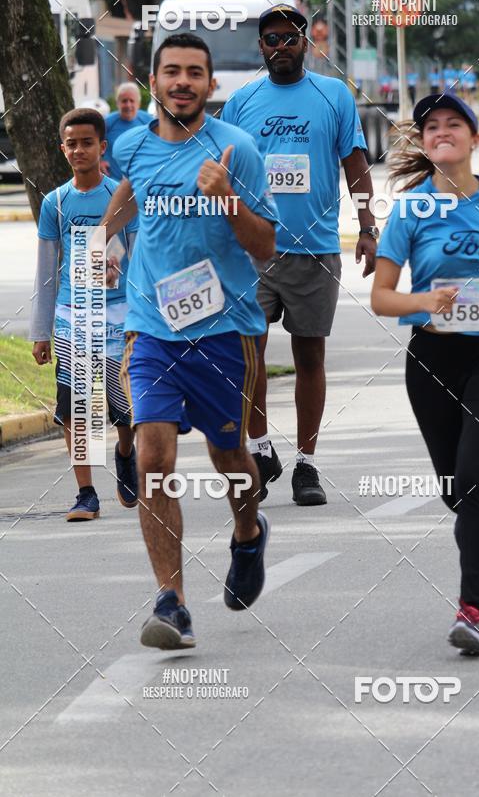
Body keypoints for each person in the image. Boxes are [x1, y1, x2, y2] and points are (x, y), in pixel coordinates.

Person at [100, 33, 278, 650]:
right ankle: (171, 601)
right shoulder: (132, 144)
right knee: (153, 459)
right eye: (171, 71)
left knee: (230, 458)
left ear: (210, 84)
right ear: (153, 81)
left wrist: (227, 198)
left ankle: (248, 533)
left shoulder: (237, 149)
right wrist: (103, 238)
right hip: (151, 328)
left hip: (224, 331)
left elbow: (264, 246)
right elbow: (133, 188)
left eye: (194, 72)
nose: (182, 81)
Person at [371, 92, 479, 654]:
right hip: (431, 360)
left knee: (475, 478)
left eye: (454, 123)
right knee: (456, 489)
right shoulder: (409, 209)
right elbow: (381, 297)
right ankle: (473, 529)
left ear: (475, 139)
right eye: (431, 126)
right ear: (424, 143)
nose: (442, 131)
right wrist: (423, 301)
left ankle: (473, 611)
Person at [221, 3, 377, 507]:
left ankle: (306, 464)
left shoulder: (334, 95)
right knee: (247, 357)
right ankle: (261, 448)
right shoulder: (241, 102)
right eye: (272, 39)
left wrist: (368, 227)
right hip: (252, 251)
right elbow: (219, 174)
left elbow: (355, 165)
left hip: (315, 250)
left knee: (309, 357)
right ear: (260, 46)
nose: (281, 46)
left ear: (306, 43)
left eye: (290, 38)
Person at [30, 108, 139, 521]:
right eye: (71, 144)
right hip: (72, 317)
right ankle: (86, 493)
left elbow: (139, 258)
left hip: (119, 315)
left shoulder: (121, 197)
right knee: (77, 404)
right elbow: (46, 272)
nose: (79, 150)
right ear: (63, 149)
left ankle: (125, 452)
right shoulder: (55, 203)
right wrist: (41, 330)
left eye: (87, 143)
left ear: (102, 147)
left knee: (122, 404)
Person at [101, 83, 152, 180]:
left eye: (132, 101)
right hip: (114, 181)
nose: (128, 105)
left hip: (141, 180)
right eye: (124, 101)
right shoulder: (107, 122)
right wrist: (99, 161)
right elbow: (93, 143)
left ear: (138, 103)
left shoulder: (148, 121)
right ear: (117, 103)